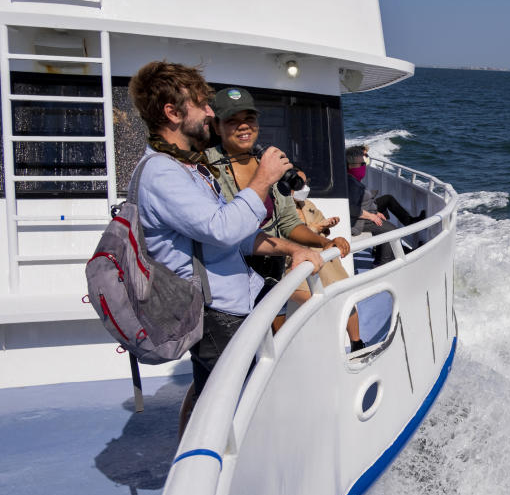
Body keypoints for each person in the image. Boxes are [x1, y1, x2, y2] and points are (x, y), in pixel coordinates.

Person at [128, 61, 324, 436]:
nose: (210, 112)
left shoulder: (185, 168)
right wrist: (264, 179)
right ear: (172, 113)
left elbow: (233, 233)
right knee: (245, 415)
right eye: (201, 104)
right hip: (213, 315)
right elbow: (222, 228)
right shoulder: (162, 173)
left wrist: (289, 249)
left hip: (231, 305)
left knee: (213, 404)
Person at [206, 88, 363, 348]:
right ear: (217, 126)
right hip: (228, 283)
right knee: (227, 363)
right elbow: (226, 230)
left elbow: (289, 223)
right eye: (232, 120)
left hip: (272, 277)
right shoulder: (207, 168)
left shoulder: (269, 162)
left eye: (249, 118)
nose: (243, 126)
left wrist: (323, 243)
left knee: (271, 353)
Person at [346, 145, 425, 264]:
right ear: (349, 166)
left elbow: (359, 203)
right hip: (357, 222)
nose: (364, 166)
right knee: (391, 230)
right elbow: (350, 207)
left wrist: (375, 212)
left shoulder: (351, 179)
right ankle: (383, 261)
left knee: (387, 221)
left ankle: (387, 253)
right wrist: (371, 216)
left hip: (363, 216)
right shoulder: (350, 182)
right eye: (361, 164)